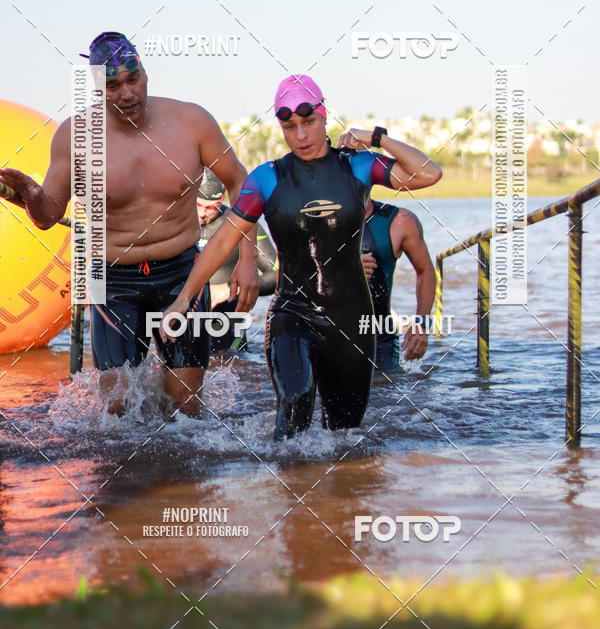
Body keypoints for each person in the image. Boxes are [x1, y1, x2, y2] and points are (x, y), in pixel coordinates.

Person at [160, 74, 442, 439]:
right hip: (293, 314)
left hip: (352, 322)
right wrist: (184, 298)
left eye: (309, 122)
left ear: (325, 117)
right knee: (294, 407)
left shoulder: (357, 166)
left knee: (345, 436)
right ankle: (288, 490)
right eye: (290, 126)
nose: (301, 136)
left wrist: (376, 138)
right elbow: (223, 240)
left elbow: (430, 174)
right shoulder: (267, 178)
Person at [0, 32, 259, 417]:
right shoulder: (76, 136)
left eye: (133, 78)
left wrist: (247, 258)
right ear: (97, 89)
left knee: (187, 410)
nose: (126, 93)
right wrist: (32, 197)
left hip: (182, 272)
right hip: (112, 279)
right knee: (118, 413)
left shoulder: (191, 122)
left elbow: (243, 184)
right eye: (112, 85)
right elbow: (49, 216)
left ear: (145, 71)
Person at [196, 168, 278, 352]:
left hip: (226, 322)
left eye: (210, 207)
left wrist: (227, 289)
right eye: (198, 205)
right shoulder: (177, 223)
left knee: (235, 372)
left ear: (222, 200)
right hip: (184, 319)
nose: (202, 213)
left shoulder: (240, 222)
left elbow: (277, 274)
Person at [361, 192, 435, 373]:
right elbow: (291, 275)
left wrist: (421, 323)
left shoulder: (400, 221)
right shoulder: (312, 218)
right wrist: (346, 268)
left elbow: (425, 271)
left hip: (379, 335)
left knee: (386, 396)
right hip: (326, 335)